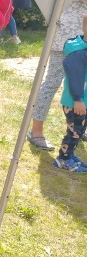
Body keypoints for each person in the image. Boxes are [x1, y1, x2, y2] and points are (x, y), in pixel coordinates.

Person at [28, 0, 87, 150]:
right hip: (67, 33)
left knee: (85, 83)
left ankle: (78, 129)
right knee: (53, 80)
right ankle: (36, 131)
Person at [53, 18, 87, 172]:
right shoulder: (78, 53)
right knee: (74, 132)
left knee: (79, 131)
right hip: (75, 102)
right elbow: (75, 78)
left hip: (82, 101)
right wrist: (78, 100)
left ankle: (70, 154)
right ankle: (63, 159)